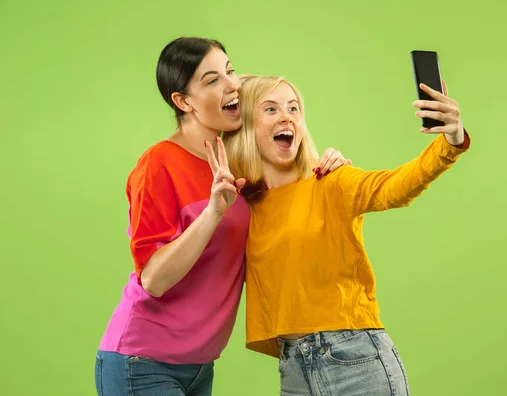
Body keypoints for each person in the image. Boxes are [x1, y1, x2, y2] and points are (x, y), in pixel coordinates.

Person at [95, 38, 349, 396]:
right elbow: (152, 278)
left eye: (230, 71)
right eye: (212, 80)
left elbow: (288, 212)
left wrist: (328, 166)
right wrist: (213, 212)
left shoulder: (241, 163)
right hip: (142, 362)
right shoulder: (158, 164)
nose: (232, 84)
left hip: (200, 367)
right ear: (183, 102)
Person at [220, 74, 471, 395]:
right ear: (245, 126)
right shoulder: (243, 206)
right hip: (293, 366)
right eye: (270, 109)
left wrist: (450, 142)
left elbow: (395, 188)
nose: (286, 117)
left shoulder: (330, 182)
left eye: (294, 108)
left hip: (353, 357)